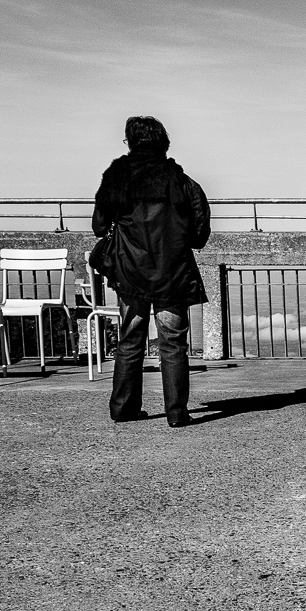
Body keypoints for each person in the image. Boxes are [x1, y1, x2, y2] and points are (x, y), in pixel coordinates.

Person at [92, 116, 211, 427]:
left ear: (131, 143)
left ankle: (123, 408)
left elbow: (99, 226)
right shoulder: (182, 182)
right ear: (164, 143)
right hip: (173, 274)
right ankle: (176, 413)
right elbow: (199, 234)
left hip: (130, 274)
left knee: (130, 340)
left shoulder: (116, 178)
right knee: (173, 343)